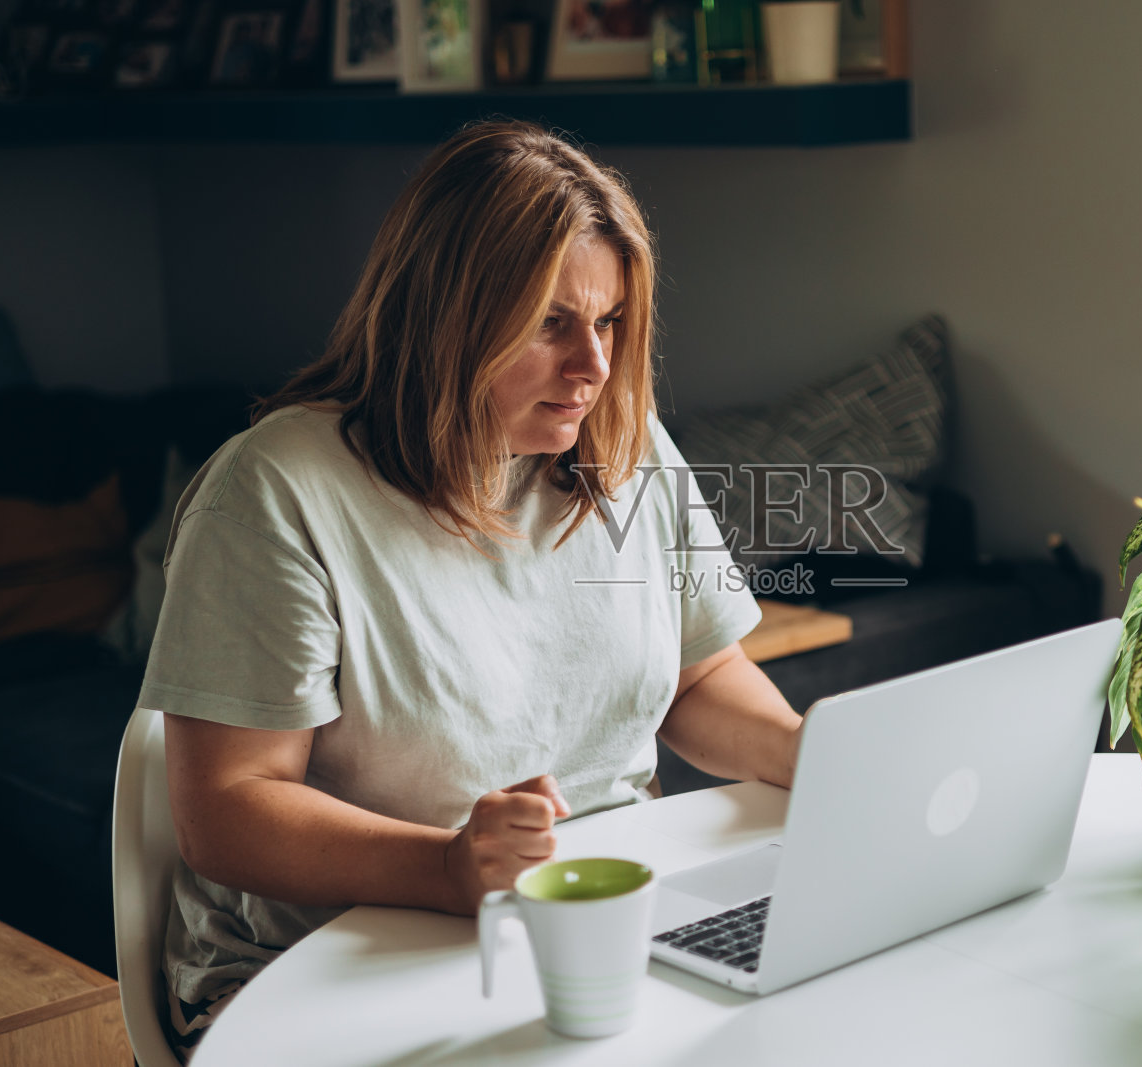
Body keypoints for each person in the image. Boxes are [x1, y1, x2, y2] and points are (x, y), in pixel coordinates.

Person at [139, 119, 803, 1059]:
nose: (595, 367)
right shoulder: (275, 490)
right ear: (445, 315)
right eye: (551, 324)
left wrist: (815, 754)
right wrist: (450, 867)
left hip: (597, 931)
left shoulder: (624, 443)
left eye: (609, 320)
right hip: (327, 967)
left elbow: (700, 678)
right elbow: (230, 807)